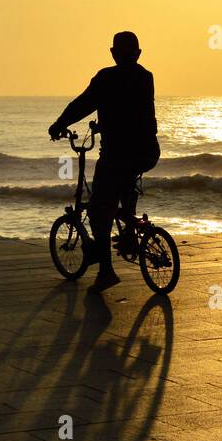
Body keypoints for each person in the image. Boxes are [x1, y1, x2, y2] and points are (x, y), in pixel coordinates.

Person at [48, 31, 160, 293]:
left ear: (113, 53)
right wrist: (104, 124)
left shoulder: (107, 78)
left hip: (118, 154)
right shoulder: (146, 77)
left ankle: (106, 272)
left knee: (100, 211)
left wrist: (59, 125)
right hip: (147, 152)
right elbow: (131, 110)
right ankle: (130, 235)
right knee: (124, 185)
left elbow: (83, 104)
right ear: (139, 54)